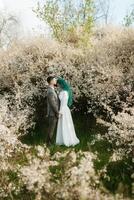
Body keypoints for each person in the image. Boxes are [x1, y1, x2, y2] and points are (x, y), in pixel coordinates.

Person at [56, 77, 79, 146]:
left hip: (64, 110)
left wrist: (60, 112)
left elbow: (64, 103)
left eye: (58, 84)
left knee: (65, 124)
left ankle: (67, 140)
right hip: (64, 109)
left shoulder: (65, 92)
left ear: (61, 84)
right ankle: (62, 140)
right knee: (63, 124)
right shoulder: (63, 91)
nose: (57, 85)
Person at [46, 76, 59, 145]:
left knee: (52, 128)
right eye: (54, 80)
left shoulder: (52, 89)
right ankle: (48, 143)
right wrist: (57, 112)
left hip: (53, 113)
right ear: (51, 81)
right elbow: (53, 103)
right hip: (52, 113)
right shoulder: (50, 91)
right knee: (51, 128)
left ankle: (49, 142)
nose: (55, 80)